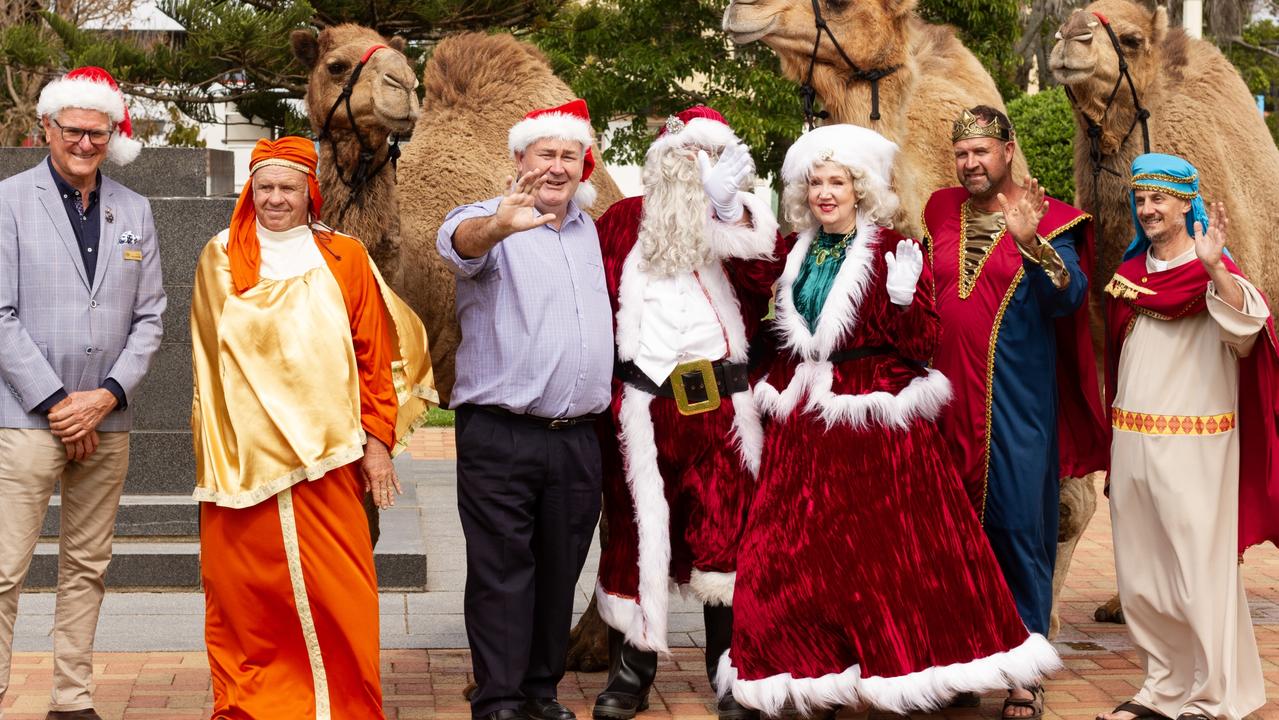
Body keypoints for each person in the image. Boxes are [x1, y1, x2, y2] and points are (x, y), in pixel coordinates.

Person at [720, 123, 1060, 719]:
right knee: (789, 555)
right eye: (816, 182)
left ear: (860, 189)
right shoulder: (795, 251)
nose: (826, 193)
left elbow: (921, 341)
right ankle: (804, 674)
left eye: (838, 182)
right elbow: (756, 292)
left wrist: (904, 300)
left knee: (896, 559)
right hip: (805, 425)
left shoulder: (889, 249)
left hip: (874, 428)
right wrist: (727, 205)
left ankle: (933, 669)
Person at [190, 137, 435, 720]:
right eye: (265, 187)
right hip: (246, 468)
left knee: (342, 593)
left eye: (288, 188)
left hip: (330, 457)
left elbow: (374, 357)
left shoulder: (344, 257)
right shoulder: (219, 257)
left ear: (309, 194)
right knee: (247, 599)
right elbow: (208, 370)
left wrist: (378, 445)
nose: (275, 199)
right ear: (250, 190)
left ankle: (343, 705)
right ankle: (259, 705)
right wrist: (226, 458)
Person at [590, 106, 784, 720]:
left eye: (706, 154)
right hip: (642, 406)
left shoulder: (740, 226)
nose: (690, 165)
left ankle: (729, 673)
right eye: (680, 152)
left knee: (725, 536)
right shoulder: (621, 220)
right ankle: (632, 670)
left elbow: (765, 279)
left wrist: (727, 211)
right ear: (657, 158)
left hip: (720, 408)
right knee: (634, 533)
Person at [922, 106, 1107, 717]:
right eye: (962, 153)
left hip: (1016, 406)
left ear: (1008, 150)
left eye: (981, 151)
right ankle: (961, 665)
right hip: (944, 405)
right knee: (949, 536)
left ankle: (1023, 672)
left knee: (1019, 531)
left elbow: (1073, 296)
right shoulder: (938, 211)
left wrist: (1031, 244)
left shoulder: (1053, 218)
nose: (970, 164)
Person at [436, 99, 612, 720]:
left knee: (560, 570)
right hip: (501, 431)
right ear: (519, 160)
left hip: (578, 438)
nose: (558, 167)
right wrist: (501, 226)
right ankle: (500, 699)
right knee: (501, 570)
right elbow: (459, 245)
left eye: (569, 155)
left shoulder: (595, 233)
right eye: (546, 155)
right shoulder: (486, 218)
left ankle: (540, 692)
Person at [0, 66, 163, 720]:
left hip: (108, 422)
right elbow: (0, 315)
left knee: (87, 567)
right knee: (5, 569)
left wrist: (107, 395)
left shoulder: (136, 209)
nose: (86, 144)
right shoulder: (8, 201)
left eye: (98, 133)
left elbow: (151, 316)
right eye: (74, 131)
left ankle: (71, 701)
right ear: (47, 128)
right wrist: (59, 403)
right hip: (26, 420)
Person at [1096, 153, 1277, 720]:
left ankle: (1215, 694)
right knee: (1142, 575)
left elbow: (1248, 334)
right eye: (1141, 198)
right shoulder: (1131, 274)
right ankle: (1162, 686)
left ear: (1184, 203)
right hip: (1133, 438)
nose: (1148, 209)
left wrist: (1217, 270)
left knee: (1199, 568)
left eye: (1159, 199)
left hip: (1197, 442)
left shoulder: (1212, 269)